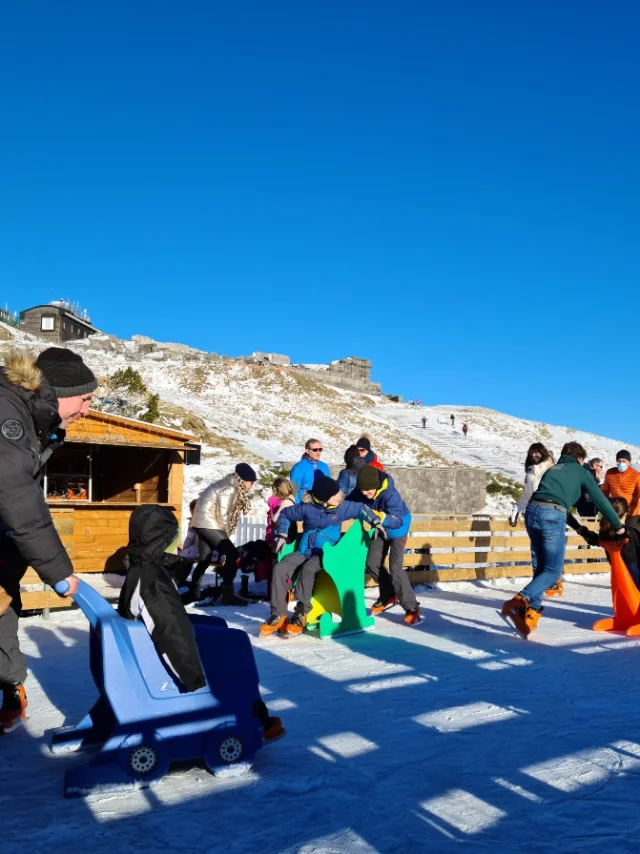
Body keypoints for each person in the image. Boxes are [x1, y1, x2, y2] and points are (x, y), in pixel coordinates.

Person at [119, 504, 284, 742]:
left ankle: (254, 710)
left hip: (146, 645)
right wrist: (193, 678)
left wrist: (179, 567)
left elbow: (169, 615)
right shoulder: (153, 583)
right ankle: (251, 717)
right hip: (154, 658)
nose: (176, 544)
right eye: (173, 538)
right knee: (236, 643)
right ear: (161, 539)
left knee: (218, 625)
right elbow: (170, 629)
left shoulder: (145, 568)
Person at [0, 347, 97, 733]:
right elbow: (15, 493)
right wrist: (58, 570)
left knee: (4, 604)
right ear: (58, 392)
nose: (87, 410)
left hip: (4, 540)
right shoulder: (7, 412)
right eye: (85, 399)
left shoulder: (35, 419)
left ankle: (10, 687)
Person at [502, 442, 624, 637]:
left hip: (532, 512)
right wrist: (618, 526)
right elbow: (600, 500)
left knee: (541, 569)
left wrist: (579, 529)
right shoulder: (581, 471)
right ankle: (519, 601)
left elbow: (554, 502)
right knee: (552, 571)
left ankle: (531, 613)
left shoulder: (553, 470)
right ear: (580, 458)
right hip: (551, 514)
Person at [259, 476, 384, 637]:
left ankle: (301, 612)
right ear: (324, 499)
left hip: (327, 554)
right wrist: (282, 534)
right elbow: (284, 514)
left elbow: (361, 508)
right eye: (335, 494)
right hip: (304, 550)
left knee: (308, 569)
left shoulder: (342, 508)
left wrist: (376, 522)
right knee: (280, 568)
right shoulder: (306, 507)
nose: (339, 496)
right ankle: (278, 614)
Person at [349, 465, 420, 625]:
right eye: (362, 490)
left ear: (376, 485)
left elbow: (397, 520)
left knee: (396, 569)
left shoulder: (391, 495)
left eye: (368, 490)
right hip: (381, 527)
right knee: (372, 563)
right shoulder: (362, 490)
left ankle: (412, 607)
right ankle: (388, 594)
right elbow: (349, 501)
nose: (365, 493)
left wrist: (381, 517)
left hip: (398, 529)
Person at [189, 463, 257, 605]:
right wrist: (225, 538)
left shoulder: (226, 484)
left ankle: (194, 593)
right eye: (251, 482)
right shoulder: (230, 488)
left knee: (204, 560)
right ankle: (228, 594)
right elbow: (223, 515)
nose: (252, 486)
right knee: (232, 553)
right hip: (209, 523)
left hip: (202, 523)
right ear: (244, 480)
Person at [574, 497, 640, 591]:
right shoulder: (630, 533)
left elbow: (595, 540)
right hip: (634, 571)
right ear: (626, 512)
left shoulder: (604, 533)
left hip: (618, 573)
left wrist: (585, 532)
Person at [509, 443, 555, 527]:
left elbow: (561, 494)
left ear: (543, 453)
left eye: (537, 452)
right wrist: (518, 508)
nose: (535, 455)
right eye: (532, 453)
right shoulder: (530, 473)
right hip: (535, 517)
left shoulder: (552, 469)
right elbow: (527, 495)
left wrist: (563, 514)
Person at [603, 450, 640, 530]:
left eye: (624, 461)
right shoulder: (610, 473)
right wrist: (605, 505)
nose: (621, 463)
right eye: (619, 461)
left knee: (633, 534)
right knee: (611, 534)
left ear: (629, 462)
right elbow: (605, 491)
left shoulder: (636, 475)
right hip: (615, 511)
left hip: (632, 513)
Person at [289, 438, 330, 503]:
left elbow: (329, 487)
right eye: (315, 450)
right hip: (304, 504)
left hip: (322, 505)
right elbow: (294, 491)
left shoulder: (324, 466)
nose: (318, 452)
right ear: (307, 451)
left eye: (320, 450)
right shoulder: (299, 467)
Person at [265, 476, 295, 545]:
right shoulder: (287, 502)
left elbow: (274, 520)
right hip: (279, 534)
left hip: (274, 534)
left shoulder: (284, 503)